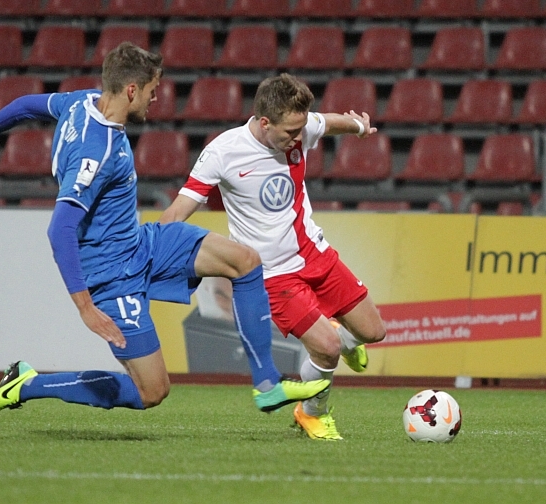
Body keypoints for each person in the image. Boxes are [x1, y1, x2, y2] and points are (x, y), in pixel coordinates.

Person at [0, 43, 329, 423]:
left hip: (142, 244)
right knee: (151, 391)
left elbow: (26, 105)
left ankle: (267, 384)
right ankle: (26, 384)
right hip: (111, 274)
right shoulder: (97, 152)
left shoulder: (81, 102)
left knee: (245, 261)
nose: (156, 99)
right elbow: (60, 230)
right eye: (152, 90)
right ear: (131, 90)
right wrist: (86, 308)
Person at [159, 73, 387, 441]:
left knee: (374, 332)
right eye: (291, 132)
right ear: (265, 122)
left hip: (315, 253)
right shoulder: (223, 152)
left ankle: (340, 339)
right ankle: (312, 414)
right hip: (272, 275)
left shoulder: (300, 126)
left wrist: (359, 127)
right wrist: (150, 248)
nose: (298, 138)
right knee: (326, 350)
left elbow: (328, 122)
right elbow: (179, 209)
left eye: (301, 129)